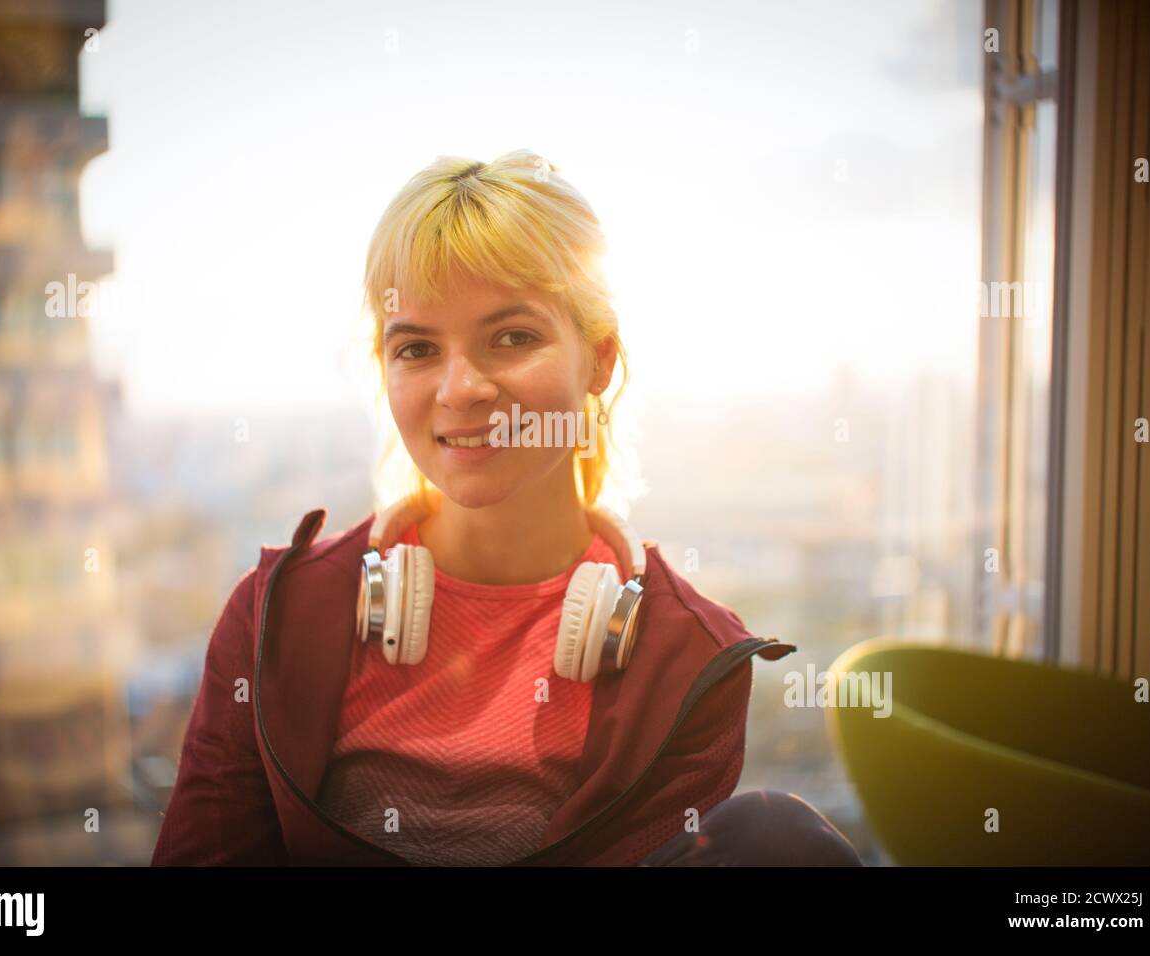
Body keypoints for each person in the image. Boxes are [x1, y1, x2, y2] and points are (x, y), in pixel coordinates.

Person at [151, 150, 861, 867]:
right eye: (418, 348)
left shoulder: (684, 658)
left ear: (601, 359)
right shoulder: (279, 614)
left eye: (513, 337)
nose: (461, 389)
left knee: (777, 840)